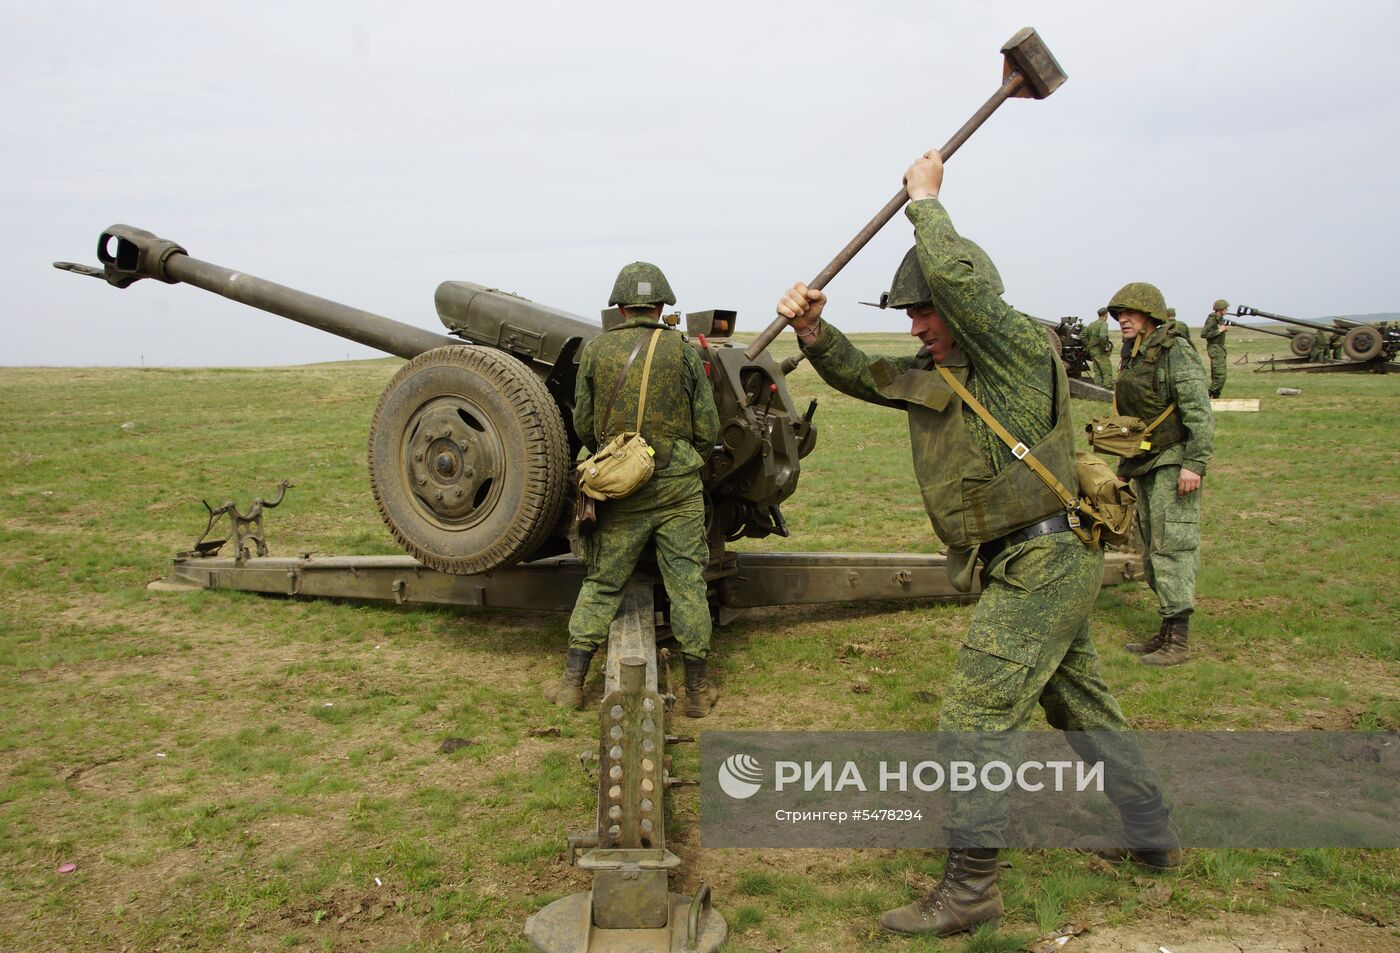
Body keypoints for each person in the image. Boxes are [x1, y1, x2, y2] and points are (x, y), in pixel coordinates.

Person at [776, 149, 1178, 939]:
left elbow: (966, 285)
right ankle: (1153, 828)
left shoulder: (1018, 353)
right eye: (911, 315)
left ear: (962, 309)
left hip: (1046, 556)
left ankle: (972, 888)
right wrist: (816, 332)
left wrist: (926, 202)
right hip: (1022, 564)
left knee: (972, 714)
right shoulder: (944, 371)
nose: (918, 325)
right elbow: (867, 377)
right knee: (1081, 703)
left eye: (925, 311)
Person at [547, 262, 722, 717]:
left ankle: (570, 685)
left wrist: (620, 460)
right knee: (687, 585)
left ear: (620, 306)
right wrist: (680, 457)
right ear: (662, 304)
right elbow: (707, 425)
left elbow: (583, 422)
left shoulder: (598, 349)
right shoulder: (681, 350)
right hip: (677, 487)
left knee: (603, 582)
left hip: (621, 490)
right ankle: (698, 693)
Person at [1109, 285, 1215, 665]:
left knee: (1173, 546)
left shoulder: (1175, 352)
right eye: (1119, 313)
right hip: (1145, 462)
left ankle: (1180, 641)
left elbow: (1198, 410)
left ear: (1150, 316)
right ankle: (1167, 630)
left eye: (1131, 313)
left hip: (1174, 461)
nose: (1123, 318)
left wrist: (1194, 463)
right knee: (1152, 547)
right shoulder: (1134, 355)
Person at [1201, 299, 1230, 397]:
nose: (1227, 310)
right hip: (1215, 349)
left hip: (1220, 349)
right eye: (1225, 308)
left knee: (1217, 376)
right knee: (1220, 376)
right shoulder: (1212, 319)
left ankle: (1215, 397)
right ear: (1220, 309)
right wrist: (1219, 330)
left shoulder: (1219, 318)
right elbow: (1204, 334)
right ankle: (1206, 396)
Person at [1082, 305, 1116, 387]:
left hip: (1092, 352)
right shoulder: (1104, 324)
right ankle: (1107, 388)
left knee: (1097, 371)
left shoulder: (1092, 324)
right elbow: (1102, 336)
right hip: (1100, 352)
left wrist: (1089, 345)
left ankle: (1098, 387)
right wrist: (1103, 347)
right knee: (1107, 370)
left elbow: (1082, 336)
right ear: (1106, 315)